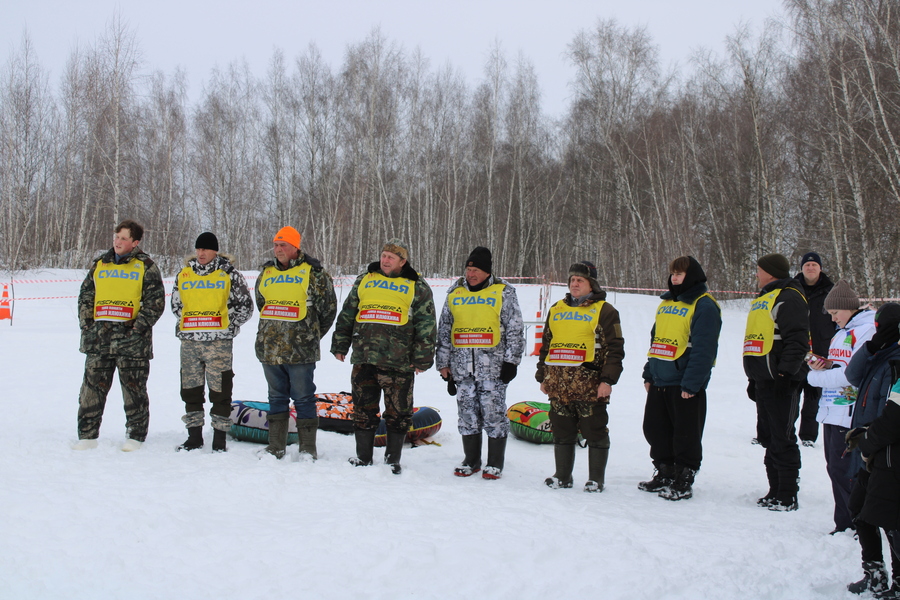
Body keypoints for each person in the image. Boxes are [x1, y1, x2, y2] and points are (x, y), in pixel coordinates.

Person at [331, 239, 437, 475]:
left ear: (402, 261)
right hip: (364, 357)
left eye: (391, 256)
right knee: (363, 409)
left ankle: (393, 460)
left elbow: (427, 324)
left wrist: (422, 358)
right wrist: (340, 343)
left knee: (398, 413)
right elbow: (348, 312)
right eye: (383, 255)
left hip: (399, 361)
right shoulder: (366, 279)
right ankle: (363, 457)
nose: (385, 259)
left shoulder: (416, 285)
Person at [74, 220, 165, 451]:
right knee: (91, 389)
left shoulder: (146, 266)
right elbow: (86, 296)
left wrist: (137, 329)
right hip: (99, 340)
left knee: (134, 391)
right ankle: (87, 436)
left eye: (124, 238)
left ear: (135, 242)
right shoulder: (99, 264)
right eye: (116, 236)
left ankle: (135, 436)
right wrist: (87, 325)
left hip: (132, 343)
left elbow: (155, 303)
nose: (118, 241)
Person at [435, 247, 525, 480]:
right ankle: (471, 459)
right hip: (462, 367)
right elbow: (445, 329)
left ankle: (495, 462)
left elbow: (515, 329)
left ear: (487, 272)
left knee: (493, 413)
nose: (470, 274)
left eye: (475, 270)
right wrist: (443, 363)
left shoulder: (503, 292)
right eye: (468, 269)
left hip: (493, 369)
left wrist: (511, 362)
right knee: (466, 413)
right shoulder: (455, 292)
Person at [536, 261, 625, 493]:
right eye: (572, 280)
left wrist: (607, 381)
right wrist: (542, 376)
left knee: (595, 431)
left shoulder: (605, 310)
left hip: (590, 386)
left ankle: (596, 479)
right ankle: (562, 476)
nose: (575, 284)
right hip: (558, 384)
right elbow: (546, 345)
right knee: (562, 431)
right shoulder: (556, 309)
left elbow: (615, 349)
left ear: (591, 284)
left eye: (580, 280)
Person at [639, 256, 721, 501]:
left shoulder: (704, 305)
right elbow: (657, 340)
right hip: (660, 379)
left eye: (680, 274)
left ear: (692, 276)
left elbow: (704, 349)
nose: (674, 278)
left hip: (684, 382)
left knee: (685, 434)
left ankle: (684, 478)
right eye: (673, 273)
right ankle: (665, 472)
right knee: (655, 430)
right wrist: (648, 372)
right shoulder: (666, 303)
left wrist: (692, 383)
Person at [255, 226, 336, 460]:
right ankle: (276, 447)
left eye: (284, 245)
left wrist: (309, 335)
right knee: (276, 397)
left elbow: (328, 309)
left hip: (301, 351)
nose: (278, 249)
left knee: (303, 397)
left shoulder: (313, 272)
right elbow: (262, 303)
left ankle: (307, 449)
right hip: (270, 349)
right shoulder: (267, 273)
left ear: (295, 247)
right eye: (276, 245)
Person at [170, 232, 254, 452]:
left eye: (205, 249)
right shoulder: (184, 274)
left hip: (219, 344)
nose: (201, 253)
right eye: (198, 249)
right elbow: (177, 306)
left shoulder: (229, 274)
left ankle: (219, 440)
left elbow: (245, 307)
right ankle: (194, 437)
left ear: (215, 250)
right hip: (190, 343)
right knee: (191, 390)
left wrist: (229, 327)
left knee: (220, 392)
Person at [806, 280, 874, 533]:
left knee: (846, 471)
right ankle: (846, 523)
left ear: (849, 308)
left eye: (835, 313)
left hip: (849, 412)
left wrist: (813, 377)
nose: (833, 319)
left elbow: (851, 375)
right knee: (835, 469)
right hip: (833, 409)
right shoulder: (844, 331)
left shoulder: (865, 330)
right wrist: (824, 365)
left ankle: (855, 525)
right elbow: (839, 366)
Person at [744, 253, 810, 511]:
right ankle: (774, 489)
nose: (757, 274)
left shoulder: (789, 297)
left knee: (783, 437)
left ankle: (787, 494)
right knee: (769, 437)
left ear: (771, 272)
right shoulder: (764, 298)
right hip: (765, 380)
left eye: (759, 270)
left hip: (783, 380)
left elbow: (798, 341)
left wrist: (786, 374)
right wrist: (754, 377)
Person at [844, 303, 900, 595]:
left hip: (887, 452)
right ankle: (874, 572)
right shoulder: (879, 354)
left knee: (889, 519)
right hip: (871, 448)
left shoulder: (896, 360)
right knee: (860, 510)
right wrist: (872, 345)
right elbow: (852, 376)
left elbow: (893, 414)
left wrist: (872, 440)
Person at [794, 252, 836, 447]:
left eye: (814, 264)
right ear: (801, 268)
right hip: (795, 352)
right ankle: (786, 432)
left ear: (820, 268)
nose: (810, 268)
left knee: (813, 398)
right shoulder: (792, 289)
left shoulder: (831, 291)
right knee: (791, 396)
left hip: (820, 353)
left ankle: (808, 437)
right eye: (807, 265)